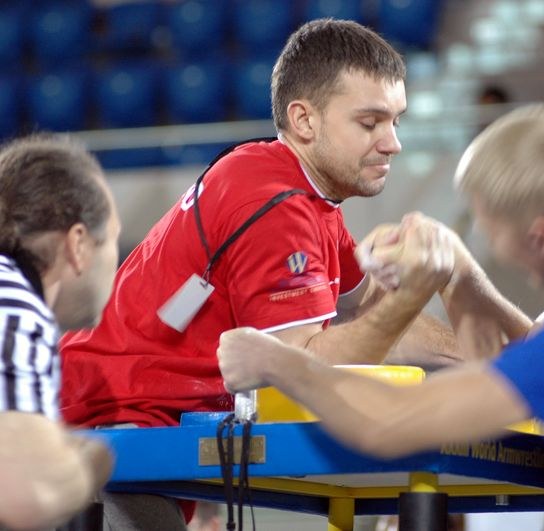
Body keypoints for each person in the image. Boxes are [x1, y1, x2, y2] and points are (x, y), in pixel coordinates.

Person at [218, 103, 544, 530]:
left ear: (542, 235)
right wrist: (458, 271)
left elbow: (391, 425)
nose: (494, 249)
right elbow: (534, 353)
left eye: (491, 231)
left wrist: (280, 362)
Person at [59, 18, 460, 529]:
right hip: (104, 419)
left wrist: (489, 355)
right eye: (370, 123)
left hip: (151, 421)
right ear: (304, 120)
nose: (393, 143)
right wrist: (420, 291)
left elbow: (371, 311)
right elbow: (302, 365)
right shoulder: (275, 204)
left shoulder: (303, 192)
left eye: (396, 121)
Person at [0, 134, 119, 530]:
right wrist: (90, 459)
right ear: (79, 244)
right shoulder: (14, 307)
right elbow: (28, 492)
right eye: (113, 239)